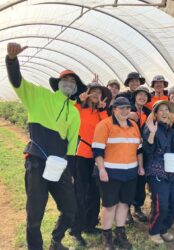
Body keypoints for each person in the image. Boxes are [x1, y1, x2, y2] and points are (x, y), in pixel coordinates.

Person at [6, 43, 85, 250]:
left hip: (60, 166)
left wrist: (70, 169)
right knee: (35, 214)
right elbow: (17, 82)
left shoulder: (74, 112)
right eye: (65, 80)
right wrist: (12, 60)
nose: (69, 83)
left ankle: (56, 240)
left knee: (70, 209)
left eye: (72, 82)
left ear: (76, 88)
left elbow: (72, 142)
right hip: (37, 163)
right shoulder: (40, 96)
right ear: (58, 83)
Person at [92, 97, 144, 250]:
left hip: (130, 173)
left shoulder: (134, 125)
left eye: (127, 108)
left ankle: (120, 234)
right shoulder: (104, 125)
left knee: (124, 204)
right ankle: (107, 237)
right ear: (114, 110)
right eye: (120, 108)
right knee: (109, 206)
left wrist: (140, 166)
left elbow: (139, 149)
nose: (124, 111)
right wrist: (101, 169)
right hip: (110, 173)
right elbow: (97, 151)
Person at [69, 83, 111, 245]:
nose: (95, 94)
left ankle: (90, 224)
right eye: (93, 92)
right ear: (87, 94)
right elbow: (69, 112)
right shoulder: (79, 109)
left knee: (94, 192)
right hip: (80, 155)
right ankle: (76, 229)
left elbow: (108, 128)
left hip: (97, 157)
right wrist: (79, 101)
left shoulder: (102, 113)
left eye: (99, 93)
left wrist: (102, 110)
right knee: (80, 192)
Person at [143, 100, 174, 244]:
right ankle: (154, 230)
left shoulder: (171, 130)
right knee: (162, 205)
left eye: (167, 110)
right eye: (161, 110)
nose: (165, 112)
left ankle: (164, 228)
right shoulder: (150, 128)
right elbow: (147, 150)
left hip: (171, 171)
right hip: (156, 171)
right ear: (155, 114)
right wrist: (152, 134)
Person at [128, 86, 152, 223]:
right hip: (130, 149)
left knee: (141, 179)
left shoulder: (148, 112)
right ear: (135, 96)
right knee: (129, 179)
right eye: (140, 95)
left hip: (144, 150)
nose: (142, 97)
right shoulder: (128, 109)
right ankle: (126, 210)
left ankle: (137, 208)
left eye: (145, 95)